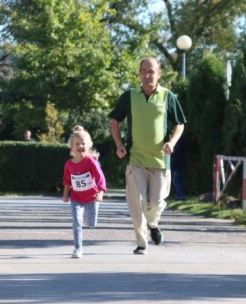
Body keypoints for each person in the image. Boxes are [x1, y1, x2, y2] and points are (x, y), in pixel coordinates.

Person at [108, 57, 187, 255]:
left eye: (151, 71)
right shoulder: (129, 96)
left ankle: (153, 225)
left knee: (157, 203)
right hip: (136, 160)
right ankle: (142, 243)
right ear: (139, 73)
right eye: (143, 70)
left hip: (161, 160)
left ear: (159, 73)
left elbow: (180, 123)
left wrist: (172, 142)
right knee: (137, 204)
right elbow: (114, 120)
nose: (147, 74)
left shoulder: (168, 96)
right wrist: (119, 145)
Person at [62, 130, 107, 258]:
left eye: (83, 144)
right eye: (77, 144)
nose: (80, 146)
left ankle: (88, 216)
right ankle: (78, 248)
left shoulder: (91, 162)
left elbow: (101, 178)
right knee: (76, 221)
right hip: (76, 198)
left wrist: (101, 192)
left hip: (91, 198)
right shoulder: (69, 164)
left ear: (88, 146)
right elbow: (67, 181)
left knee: (91, 224)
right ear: (72, 146)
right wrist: (66, 195)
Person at [171, 135, 187, 201]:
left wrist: (172, 162)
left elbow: (177, 154)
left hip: (179, 164)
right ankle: (179, 195)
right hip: (178, 163)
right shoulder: (180, 141)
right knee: (176, 180)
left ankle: (181, 196)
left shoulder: (180, 142)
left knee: (176, 180)